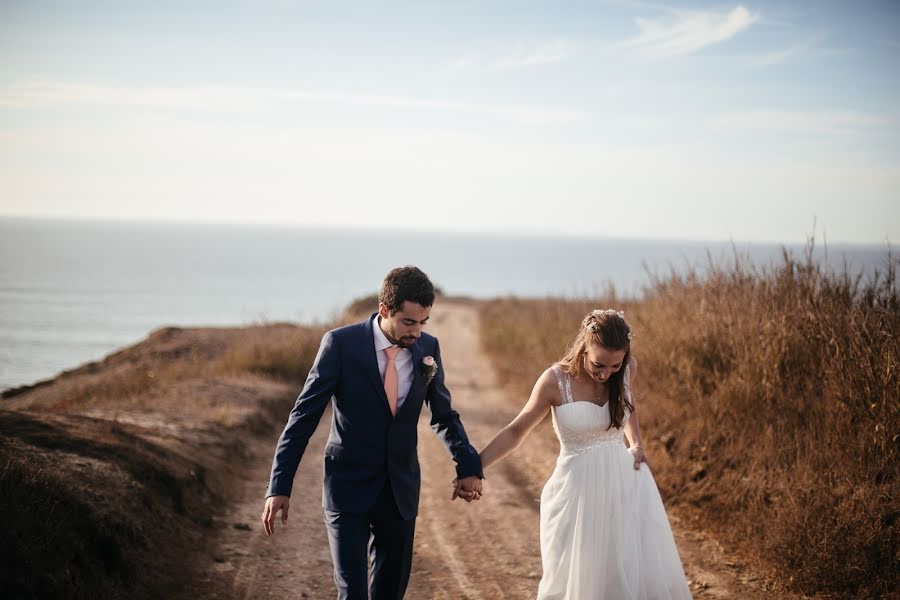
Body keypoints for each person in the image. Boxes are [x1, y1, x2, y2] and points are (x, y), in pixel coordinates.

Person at [262, 266, 484, 600]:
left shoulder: (428, 349)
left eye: (424, 322)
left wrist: (467, 464)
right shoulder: (340, 344)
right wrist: (279, 486)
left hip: (399, 493)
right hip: (347, 487)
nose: (416, 331)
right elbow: (302, 418)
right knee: (353, 594)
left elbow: (443, 415)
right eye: (409, 322)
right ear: (384, 310)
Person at [469, 309, 692, 599]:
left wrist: (636, 443)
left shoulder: (626, 369)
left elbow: (629, 404)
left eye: (614, 366)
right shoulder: (554, 381)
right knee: (572, 577)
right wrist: (475, 467)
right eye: (599, 364)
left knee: (623, 571)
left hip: (623, 487)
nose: (605, 374)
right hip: (575, 494)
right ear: (584, 346)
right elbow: (516, 431)